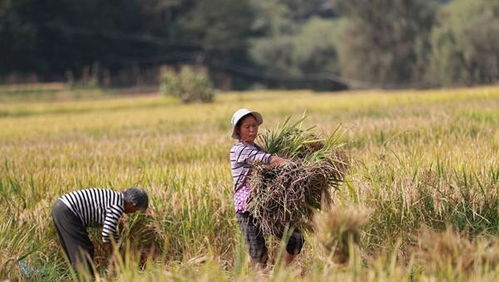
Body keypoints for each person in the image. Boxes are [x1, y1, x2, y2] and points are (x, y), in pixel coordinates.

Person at [229, 108, 304, 270]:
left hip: (265, 205)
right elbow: (268, 161)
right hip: (247, 209)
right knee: (258, 254)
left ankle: (278, 274)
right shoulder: (239, 149)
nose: (251, 130)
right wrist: (293, 164)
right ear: (237, 130)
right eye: (247, 127)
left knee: (295, 239)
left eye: (254, 126)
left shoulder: (257, 147)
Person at [51, 187, 149, 277]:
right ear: (133, 204)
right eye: (135, 210)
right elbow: (107, 234)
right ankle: (86, 279)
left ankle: (70, 277)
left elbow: (111, 231)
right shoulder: (117, 206)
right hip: (68, 210)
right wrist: (113, 256)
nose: (134, 212)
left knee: (72, 250)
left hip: (61, 207)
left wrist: (120, 246)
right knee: (84, 250)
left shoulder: (116, 198)